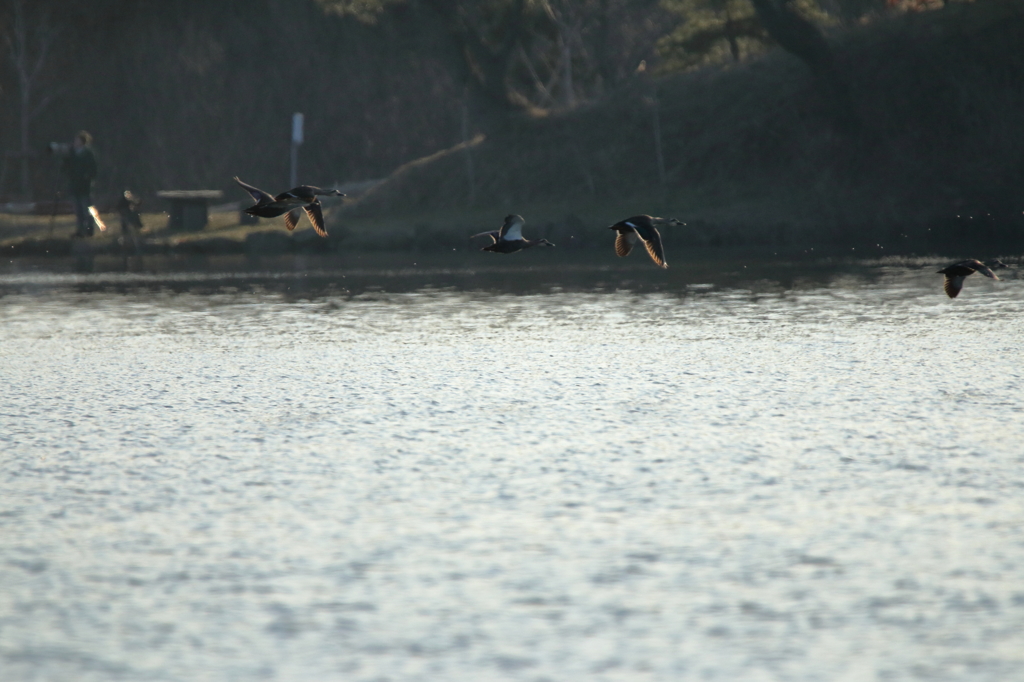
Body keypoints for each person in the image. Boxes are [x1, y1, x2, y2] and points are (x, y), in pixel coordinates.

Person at [61, 130, 99, 237]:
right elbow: (65, 167)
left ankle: (89, 229)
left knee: (87, 209)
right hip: (75, 185)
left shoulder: (88, 154)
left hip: (85, 186)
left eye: (77, 140)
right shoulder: (72, 153)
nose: (75, 142)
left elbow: (93, 169)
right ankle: (80, 230)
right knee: (78, 211)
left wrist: (87, 178)